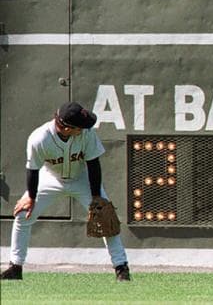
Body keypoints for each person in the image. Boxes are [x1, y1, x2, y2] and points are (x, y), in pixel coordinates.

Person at [1, 102, 130, 281]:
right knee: (23, 215)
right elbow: (33, 169)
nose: (85, 128)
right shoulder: (39, 138)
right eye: (80, 126)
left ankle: (121, 267)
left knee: (105, 217)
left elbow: (93, 164)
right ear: (67, 128)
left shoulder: (87, 133)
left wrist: (96, 198)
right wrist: (30, 197)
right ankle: (15, 267)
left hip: (81, 178)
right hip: (50, 178)